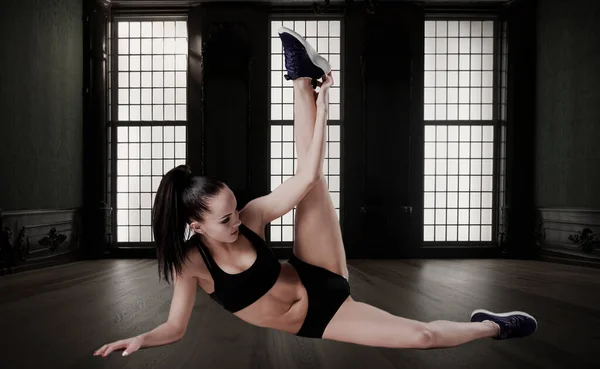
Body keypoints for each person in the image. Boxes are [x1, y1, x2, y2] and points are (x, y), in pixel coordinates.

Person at [94, 27, 537, 358]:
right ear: (195, 226)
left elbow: (305, 177)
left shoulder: (250, 218)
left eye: (235, 209)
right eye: (225, 219)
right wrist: (142, 338)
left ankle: (302, 79)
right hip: (320, 318)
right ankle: (492, 327)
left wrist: (326, 107)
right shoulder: (190, 264)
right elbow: (175, 328)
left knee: (313, 183)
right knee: (421, 337)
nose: (237, 220)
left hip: (316, 272)